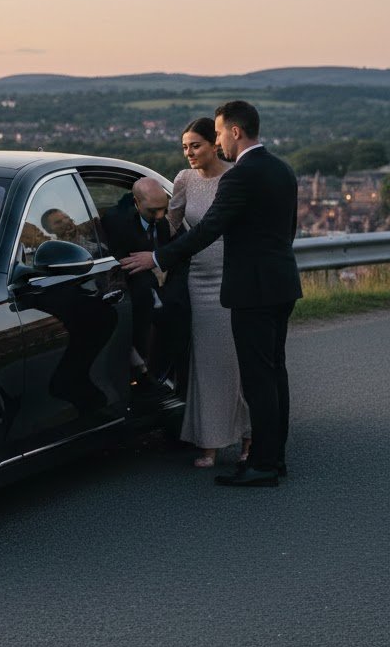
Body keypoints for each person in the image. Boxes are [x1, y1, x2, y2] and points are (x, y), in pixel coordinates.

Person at [120, 100, 301, 487]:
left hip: (250, 290)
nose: (218, 141)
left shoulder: (240, 176)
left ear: (235, 131)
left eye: (218, 133)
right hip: (282, 284)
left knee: (257, 380)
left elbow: (208, 230)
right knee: (274, 374)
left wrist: (158, 257)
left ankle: (262, 465)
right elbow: (289, 231)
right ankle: (275, 458)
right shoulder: (282, 169)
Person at [167, 117, 251, 468]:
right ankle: (210, 443)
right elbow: (171, 226)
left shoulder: (236, 176)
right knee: (206, 363)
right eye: (184, 147)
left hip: (234, 278)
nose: (189, 153)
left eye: (195, 145)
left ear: (214, 144)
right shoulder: (183, 180)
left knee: (239, 362)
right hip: (199, 279)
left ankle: (250, 437)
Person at [101, 177, 184, 402]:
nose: (160, 216)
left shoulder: (165, 221)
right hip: (131, 291)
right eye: (152, 211)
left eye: (163, 209)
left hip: (162, 292)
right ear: (136, 203)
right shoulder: (116, 223)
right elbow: (119, 265)